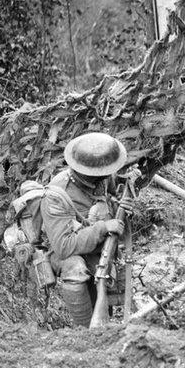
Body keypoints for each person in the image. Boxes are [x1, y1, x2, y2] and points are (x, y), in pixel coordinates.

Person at [42, 132, 132, 328]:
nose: (107, 176)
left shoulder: (104, 177)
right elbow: (64, 246)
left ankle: (102, 323)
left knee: (100, 284)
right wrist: (102, 227)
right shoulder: (57, 193)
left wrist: (122, 207)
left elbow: (111, 199)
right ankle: (84, 332)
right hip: (63, 251)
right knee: (75, 268)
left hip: (96, 247)